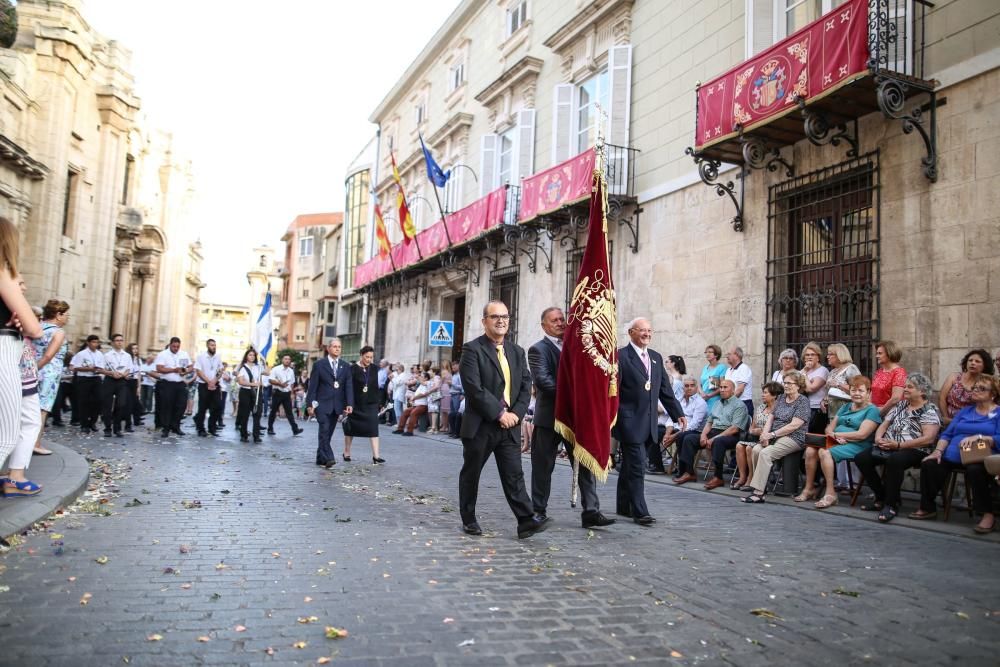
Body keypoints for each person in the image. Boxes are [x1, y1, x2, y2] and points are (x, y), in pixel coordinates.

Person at [458, 300, 548, 539]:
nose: (501, 321)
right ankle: (469, 519)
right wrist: (499, 413)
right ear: (484, 321)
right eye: (495, 316)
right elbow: (474, 388)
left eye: (505, 317)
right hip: (481, 426)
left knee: (514, 474)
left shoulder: (517, 351)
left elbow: (526, 384)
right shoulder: (472, 350)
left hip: (509, 426)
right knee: (472, 473)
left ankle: (526, 521)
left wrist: (516, 415)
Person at [529, 307, 615, 529]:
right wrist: (577, 394)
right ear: (544, 325)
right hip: (549, 419)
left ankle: (591, 511)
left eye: (562, 319)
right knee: (543, 466)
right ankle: (538, 511)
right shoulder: (538, 349)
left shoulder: (577, 348)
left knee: (586, 462)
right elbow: (543, 382)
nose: (560, 323)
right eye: (554, 320)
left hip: (576, 419)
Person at [614, 317, 685, 525]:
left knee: (629, 464)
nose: (647, 334)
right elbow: (613, 392)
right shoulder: (620, 357)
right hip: (629, 421)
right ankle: (640, 511)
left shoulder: (655, 357)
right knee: (637, 466)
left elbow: (665, 390)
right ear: (631, 333)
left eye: (649, 330)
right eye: (642, 330)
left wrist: (677, 413)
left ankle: (623, 505)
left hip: (650, 422)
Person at [910, 374, 1000, 534]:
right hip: (953, 454)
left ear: (992, 394)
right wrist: (937, 452)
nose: (975, 391)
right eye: (974, 388)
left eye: (981, 388)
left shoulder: (998, 413)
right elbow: (947, 434)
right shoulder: (965, 411)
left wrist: (980, 437)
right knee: (930, 463)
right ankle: (928, 507)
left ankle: (987, 514)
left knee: (975, 470)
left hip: (979, 456)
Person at [854, 373, 941, 523]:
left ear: (922, 391)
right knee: (862, 458)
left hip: (916, 449)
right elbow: (884, 424)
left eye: (910, 387)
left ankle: (890, 504)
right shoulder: (901, 405)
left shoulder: (929, 410)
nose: (905, 389)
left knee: (895, 460)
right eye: (905, 386)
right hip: (890, 445)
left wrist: (899, 445)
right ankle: (881, 497)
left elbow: (928, 439)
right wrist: (878, 438)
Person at [800, 375, 882, 509]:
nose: (856, 394)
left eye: (861, 391)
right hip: (838, 441)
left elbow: (862, 434)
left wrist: (837, 435)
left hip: (858, 445)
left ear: (869, 392)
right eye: (853, 390)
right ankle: (809, 488)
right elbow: (829, 428)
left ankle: (830, 493)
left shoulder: (872, 410)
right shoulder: (846, 407)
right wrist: (835, 436)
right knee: (810, 450)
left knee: (824, 452)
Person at [0, 243, 43, 496]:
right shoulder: (2, 271)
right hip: (5, 349)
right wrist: (22, 320)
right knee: (6, 435)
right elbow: (35, 329)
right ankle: (15, 478)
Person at [741, 373, 811, 504]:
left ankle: (758, 493)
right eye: (785, 383)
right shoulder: (781, 398)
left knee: (766, 453)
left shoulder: (803, 401)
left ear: (799, 386)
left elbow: (794, 425)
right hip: (774, 435)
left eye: (790, 383)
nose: (786, 385)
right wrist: (764, 435)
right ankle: (763, 485)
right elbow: (771, 418)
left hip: (794, 437)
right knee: (756, 449)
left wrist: (772, 435)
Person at [674, 378, 746, 490]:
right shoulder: (717, 403)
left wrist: (713, 438)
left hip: (729, 435)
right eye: (721, 387)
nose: (722, 390)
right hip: (713, 432)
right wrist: (703, 435)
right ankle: (689, 472)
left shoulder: (739, 405)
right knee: (689, 438)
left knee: (718, 442)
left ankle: (718, 477)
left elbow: (734, 429)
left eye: (725, 387)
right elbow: (709, 422)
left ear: (733, 390)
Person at [306, 338, 354, 468]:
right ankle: (329, 458)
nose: (337, 349)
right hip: (321, 404)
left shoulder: (345, 366)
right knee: (324, 430)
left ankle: (320, 458)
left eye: (339, 347)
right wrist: (310, 404)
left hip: (337, 405)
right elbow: (313, 387)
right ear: (328, 348)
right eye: (334, 346)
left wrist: (349, 403)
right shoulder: (319, 365)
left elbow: (348, 386)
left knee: (328, 433)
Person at [31, 299, 69, 455]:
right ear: (58, 315)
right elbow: (48, 356)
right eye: (66, 315)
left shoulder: (36, 327)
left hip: (31, 368)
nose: (67, 318)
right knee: (42, 409)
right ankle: (36, 443)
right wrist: (37, 369)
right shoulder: (58, 332)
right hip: (48, 373)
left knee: (29, 407)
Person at [734, 381, 781, 491]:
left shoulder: (779, 410)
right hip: (755, 437)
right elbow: (752, 427)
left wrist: (762, 432)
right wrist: (756, 431)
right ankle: (742, 477)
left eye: (765, 393)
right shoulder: (760, 408)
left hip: (770, 440)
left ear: (774, 395)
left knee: (750, 448)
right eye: (762, 392)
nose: (762, 395)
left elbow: (776, 429)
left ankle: (751, 478)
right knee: (739, 445)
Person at [342, 346, 384, 464]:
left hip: (370, 403)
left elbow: (377, 386)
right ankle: (347, 452)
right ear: (361, 355)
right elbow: (348, 387)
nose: (369, 359)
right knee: (350, 429)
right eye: (367, 357)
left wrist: (379, 402)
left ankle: (376, 456)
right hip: (355, 404)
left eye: (371, 357)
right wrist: (347, 403)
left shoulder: (375, 369)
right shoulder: (352, 369)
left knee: (373, 428)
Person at [660, 376, 708, 474]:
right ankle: (656, 466)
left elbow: (694, 425)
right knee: (656, 432)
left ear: (696, 388)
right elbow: (672, 418)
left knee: (682, 436)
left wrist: (674, 436)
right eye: (686, 386)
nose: (689, 388)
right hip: (677, 428)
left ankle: (682, 471)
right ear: (683, 388)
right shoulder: (679, 401)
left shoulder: (700, 403)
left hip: (694, 431)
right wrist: (667, 433)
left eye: (692, 386)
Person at [938, 349, 995, 426]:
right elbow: (942, 398)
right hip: (948, 421)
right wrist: (946, 417)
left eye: (977, 361)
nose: (972, 363)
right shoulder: (954, 377)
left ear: (985, 366)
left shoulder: (985, 383)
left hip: (971, 422)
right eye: (970, 360)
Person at [154, 337, 193, 437]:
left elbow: (191, 366)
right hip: (167, 383)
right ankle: (166, 428)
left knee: (181, 405)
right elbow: (159, 369)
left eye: (178, 347)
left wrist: (185, 371)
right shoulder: (163, 354)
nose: (176, 348)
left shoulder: (184, 354)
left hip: (180, 383)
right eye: (174, 346)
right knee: (167, 406)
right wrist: (174, 370)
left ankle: (175, 426)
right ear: (170, 345)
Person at [70, 335, 105, 433]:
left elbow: (102, 367)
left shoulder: (100, 354)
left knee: (99, 400)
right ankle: (84, 424)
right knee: (84, 401)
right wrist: (89, 369)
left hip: (96, 378)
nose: (95, 344)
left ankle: (93, 421)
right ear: (88, 343)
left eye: (97, 342)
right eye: (93, 342)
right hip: (84, 378)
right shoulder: (81, 354)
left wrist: (99, 370)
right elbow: (75, 367)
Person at [101, 333, 133, 437]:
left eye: (121, 340)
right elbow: (102, 369)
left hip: (122, 381)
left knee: (121, 404)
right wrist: (112, 373)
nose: (119, 342)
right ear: (112, 342)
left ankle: (117, 427)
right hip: (110, 380)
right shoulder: (107, 355)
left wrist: (124, 374)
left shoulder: (127, 356)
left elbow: (129, 369)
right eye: (117, 340)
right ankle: (107, 428)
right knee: (107, 404)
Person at [267, 354, 303, 436]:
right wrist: (280, 384)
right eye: (285, 359)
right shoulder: (276, 369)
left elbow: (292, 383)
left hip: (287, 393)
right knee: (273, 411)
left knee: (289, 412)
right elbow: (270, 380)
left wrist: (292, 393)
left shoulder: (291, 371)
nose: (287, 360)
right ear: (282, 360)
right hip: (277, 392)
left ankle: (295, 429)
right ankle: (270, 428)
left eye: (289, 359)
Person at [193, 338, 223, 437]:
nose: (213, 347)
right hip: (204, 384)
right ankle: (200, 428)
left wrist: (214, 380)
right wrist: (208, 382)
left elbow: (220, 370)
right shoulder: (201, 357)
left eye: (214, 345)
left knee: (217, 407)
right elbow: (198, 371)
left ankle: (212, 428)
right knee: (203, 408)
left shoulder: (218, 357)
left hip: (215, 384)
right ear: (207, 346)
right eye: (211, 345)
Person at [823, 343, 860, 419]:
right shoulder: (832, 372)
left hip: (847, 413)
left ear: (839, 355)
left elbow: (858, 389)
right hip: (833, 414)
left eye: (830, 354)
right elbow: (829, 392)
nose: (827, 357)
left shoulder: (851, 368)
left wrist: (838, 384)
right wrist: (824, 400)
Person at [235, 348, 264, 443]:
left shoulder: (258, 367)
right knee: (245, 414)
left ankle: (256, 436)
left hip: (257, 392)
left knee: (257, 414)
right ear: (246, 356)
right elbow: (241, 381)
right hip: (245, 392)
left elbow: (268, 372)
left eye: (253, 355)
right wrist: (253, 384)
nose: (252, 357)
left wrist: (264, 360)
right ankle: (244, 435)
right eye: (250, 355)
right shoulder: (242, 367)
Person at [871, 340, 906, 416]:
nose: (877, 356)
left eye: (880, 353)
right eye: (877, 353)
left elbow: (895, 398)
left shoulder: (899, 372)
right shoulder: (879, 371)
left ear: (889, 354)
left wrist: (879, 414)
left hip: (889, 414)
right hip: (873, 411)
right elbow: (872, 393)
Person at [801, 341, 830, 433]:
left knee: (813, 436)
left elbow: (811, 388)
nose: (809, 357)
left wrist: (804, 378)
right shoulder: (804, 370)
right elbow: (796, 386)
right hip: (804, 408)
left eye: (813, 354)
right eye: (807, 355)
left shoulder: (823, 370)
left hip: (817, 409)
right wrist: (806, 373)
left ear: (818, 357)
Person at [395, 371, 430, 435]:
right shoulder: (421, 385)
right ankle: (400, 429)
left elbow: (423, 394)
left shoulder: (427, 383)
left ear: (426, 378)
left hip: (423, 405)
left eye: (422, 377)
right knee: (405, 412)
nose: (420, 378)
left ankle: (410, 431)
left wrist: (414, 398)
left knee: (413, 413)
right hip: (416, 405)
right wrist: (412, 397)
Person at [724, 346, 753, 424]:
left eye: (729, 354)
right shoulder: (728, 370)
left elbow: (740, 389)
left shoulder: (744, 368)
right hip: (732, 403)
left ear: (737, 356)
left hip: (743, 403)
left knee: (740, 430)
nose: (727, 356)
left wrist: (728, 402)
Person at [699, 344, 727, 412]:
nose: (707, 354)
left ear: (716, 355)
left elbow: (722, 386)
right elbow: (700, 384)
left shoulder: (721, 367)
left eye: (710, 352)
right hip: (703, 399)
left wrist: (709, 396)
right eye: (706, 352)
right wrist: (702, 393)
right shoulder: (705, 367)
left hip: (714, 400)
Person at [125, 343, 143, 429]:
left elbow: (139, 374)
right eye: (133, 349)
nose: (135, 350)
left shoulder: (138, 360)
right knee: (128, 403)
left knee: (135, 401)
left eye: (136, 348)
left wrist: (139, 386)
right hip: (127, 381)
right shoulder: (127, 359)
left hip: (134, 381)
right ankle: (128, 423)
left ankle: (136, 420)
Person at [139, 353, 158, 418]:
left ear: (152, 360)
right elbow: (140, 373)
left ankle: (149, 409)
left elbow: (155, 374)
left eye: (150, 358)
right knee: (142, 396)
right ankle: (142, 409)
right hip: (143, 382)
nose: (148, 359)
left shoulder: (154, 366)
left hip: (150, 383)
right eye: (148, 358)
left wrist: (148, 374)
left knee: (149, 396)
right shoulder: (143, 365)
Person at [448, 360, 463, 437]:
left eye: (454, 366)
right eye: (452, 366)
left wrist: (452, 384)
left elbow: (462, 387)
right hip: (452, 395)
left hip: (457, 395)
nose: (453, 367)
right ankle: (453, 431)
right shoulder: (454, 375)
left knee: (457, 414)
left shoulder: (460, 375)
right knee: (451, 414)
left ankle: (457, 432)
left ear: (458, 366)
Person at [216, 363, 230, 430]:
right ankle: (217, 421)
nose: (224, 367)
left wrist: (227, 378)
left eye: (225, 366)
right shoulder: (218, 372)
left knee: (222, 406)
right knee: (218, 406)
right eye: (223, 366)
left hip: (225, 390)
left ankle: (220, 421)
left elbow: (229, 379)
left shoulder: (226, 372)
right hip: (219, 390)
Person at [439, 367, 452, 435]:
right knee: (443, 411)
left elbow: (451, 383)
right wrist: (442, 379)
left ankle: (448, 427)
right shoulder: (443, 375)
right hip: (442, 391)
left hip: (447, 391)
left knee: (447, 410)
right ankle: (444, 426)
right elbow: (439, 384)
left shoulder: (450, 374)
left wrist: (449, 381)